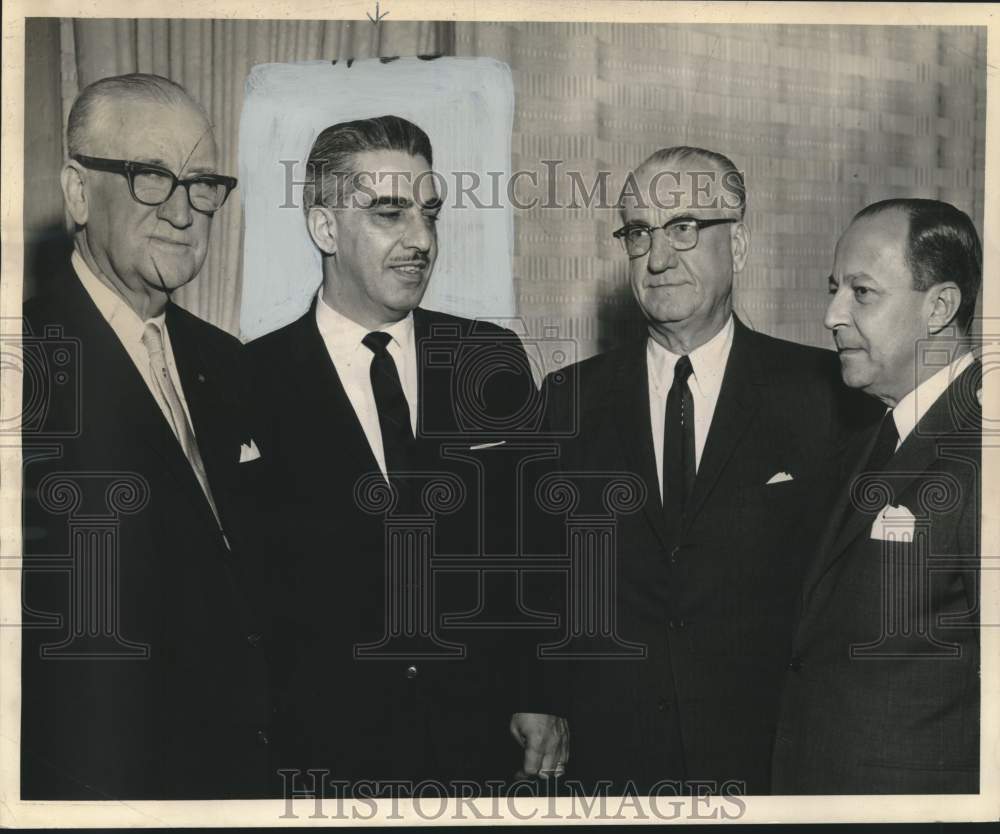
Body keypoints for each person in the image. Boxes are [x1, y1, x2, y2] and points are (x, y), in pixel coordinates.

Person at [529, 146, 879, 795]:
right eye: (640, 233)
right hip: (612, 762)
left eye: (685, 227)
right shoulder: (569, 399)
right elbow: (544, 571)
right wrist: (538, 696)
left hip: (771, 760)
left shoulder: (827, 399)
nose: (659, 258)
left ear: (738, 246)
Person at [248, 115, 548, 788]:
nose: (421, 240)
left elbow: (539, 542)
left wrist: (542, 692)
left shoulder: (488, 359)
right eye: (390, 213)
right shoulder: (246, 382)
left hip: (485, 750)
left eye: (429, 213)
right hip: (319, 761)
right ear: (324, 228)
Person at [21, 73, 270, 799]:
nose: (184, 211)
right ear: (76, 191)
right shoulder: (24, 364)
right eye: (150, 176)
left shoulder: (228, 363)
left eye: (202, 185)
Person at [772, 198, 982, 794]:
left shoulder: (980, 448)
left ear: (939, 306)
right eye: (834, 289)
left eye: (861, 293)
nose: (831, 314)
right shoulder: (878, 432)